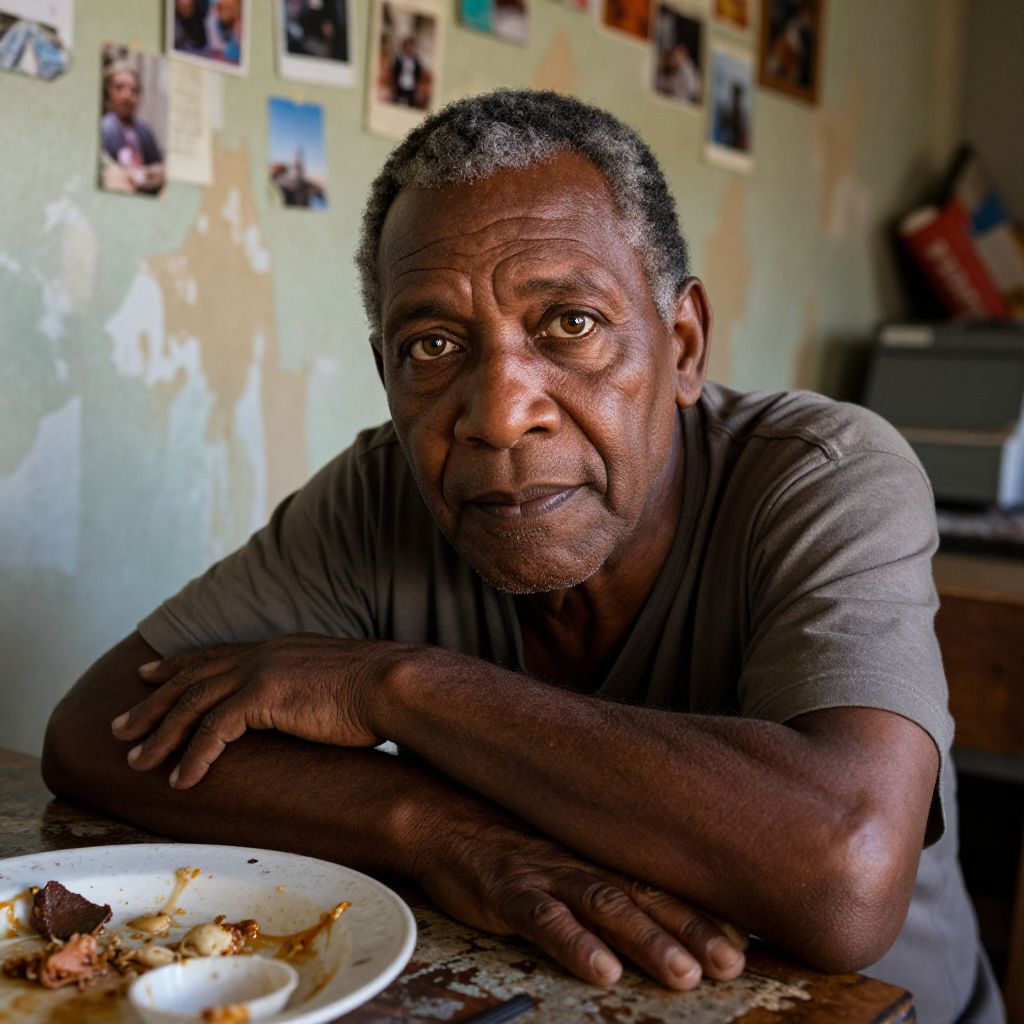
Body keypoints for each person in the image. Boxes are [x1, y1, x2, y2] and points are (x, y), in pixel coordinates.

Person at [45, 90, 1002, 1022]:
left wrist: (396, 687)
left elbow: (845, 877)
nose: (500, 414)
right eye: (433, 345)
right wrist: (435, 829)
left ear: (682, 344)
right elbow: (97, 730)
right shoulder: (381, 496)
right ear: (387, 375)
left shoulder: (823, 473)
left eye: (570, 324)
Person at [99, 61, 165, 197]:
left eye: (133, 90)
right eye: (119, 88)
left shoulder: (144, 131)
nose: (127, 96)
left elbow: (159, 167)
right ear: (107, 92)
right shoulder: (103, 128)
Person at [391, 36, 421, 107]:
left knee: (412, 105)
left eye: (411, 46)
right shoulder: (399, 58)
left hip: (411, 85)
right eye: (407, 46)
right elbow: (394, 72)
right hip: (400, 84)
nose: (409, 48)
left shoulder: (415, 59)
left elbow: (418, 72)